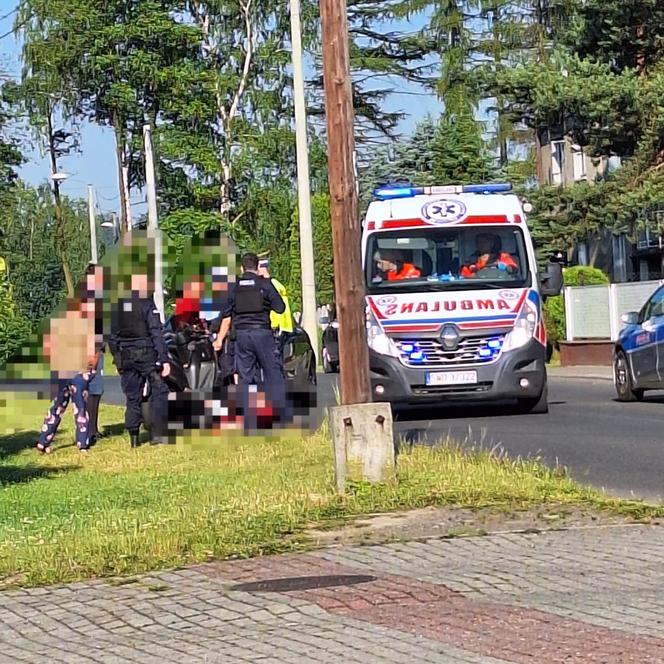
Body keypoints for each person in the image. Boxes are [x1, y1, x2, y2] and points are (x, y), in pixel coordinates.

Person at [220, 253, 287, 416]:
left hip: (242, 336)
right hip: (262, 334)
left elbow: (225, 312)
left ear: (241, 268)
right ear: (258, 268)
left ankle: (248, 417)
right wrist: (267, 283)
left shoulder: (233, 287)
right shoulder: (265, 284)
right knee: (273, 372)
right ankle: (278, 413)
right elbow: (280, 308)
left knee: (245, 377)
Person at [109, 273, 171, 448]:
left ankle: (134, 437)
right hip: (146, 354)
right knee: (159, 389)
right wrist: (164, 358)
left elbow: (112, 338)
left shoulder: (118, 306)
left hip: (126, 356)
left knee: (132, 397)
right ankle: (156, 433)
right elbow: (156, 332)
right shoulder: (146, 304)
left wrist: (118, 360)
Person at [37, 297, 99, 454]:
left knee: (57, 407)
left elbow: (47, 348)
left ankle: (44, 440)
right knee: (80, 408)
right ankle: (82, 443)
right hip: (79, 372)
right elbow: (94, 352)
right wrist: (90, 370)